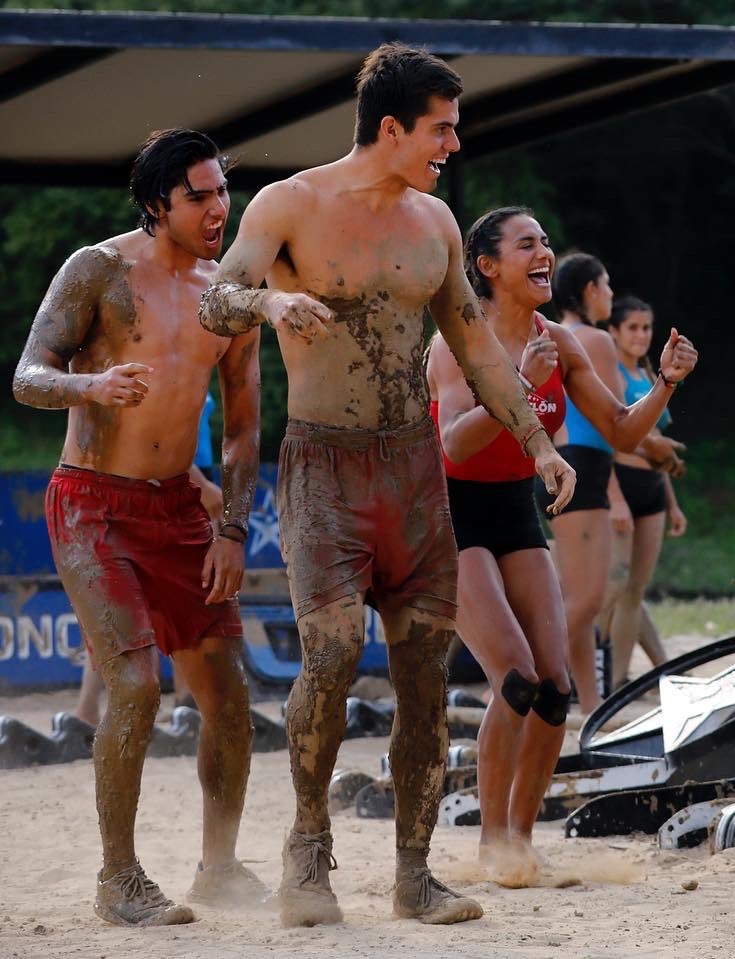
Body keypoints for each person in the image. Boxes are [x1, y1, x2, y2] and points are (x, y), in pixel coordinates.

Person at [197, 44, 576, 927]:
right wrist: (270, 304)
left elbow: (478, 348)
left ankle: (414, 870)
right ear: (392, 126)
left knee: (423, 677)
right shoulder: (288, 202)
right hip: (324, 468)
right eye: (441, 128)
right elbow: (217, 298)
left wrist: (539, 446)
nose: (452, 144)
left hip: (412, 470)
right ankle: (307, 849)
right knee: (328, 658)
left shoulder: (437, 224)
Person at [12, 129, 265, 926]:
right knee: (133, 682)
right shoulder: (99, 268)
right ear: (159, 204)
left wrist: (233, 529)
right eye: (201, 195)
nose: (220, 207)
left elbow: (246, 429)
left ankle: (219, 867)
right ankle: (118, 878)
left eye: (224, 190)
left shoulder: (229, 292)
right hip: (93, 500)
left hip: (183, 510)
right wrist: (88, 384)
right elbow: (26, 375)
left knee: (228, 696)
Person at [428, 207, 696, 883]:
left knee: (554, 686)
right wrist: (516, 382)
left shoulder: (561, 341)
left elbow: (623, 431)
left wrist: (665, 381)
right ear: (487, 266)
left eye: (547, 242)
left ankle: (520, 843)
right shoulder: (458, 338)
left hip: (516, 513)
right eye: (528, 245)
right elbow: (453, 446)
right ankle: (490, 842)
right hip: (450, 515)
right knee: (514, 678)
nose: (544, 252)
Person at [541, 253, 684, 713]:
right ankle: (531, 686)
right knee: (585, 604)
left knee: (583, 605)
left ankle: (589, 705)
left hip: (566, 465)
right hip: (586, 469)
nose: (609, 294)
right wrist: (653, 449)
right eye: (604, 285)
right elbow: (618, 423)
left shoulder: (551, 334)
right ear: (588, 291)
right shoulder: (595, 340)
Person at [74, 395, 218, 725]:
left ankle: (185, 702)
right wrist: (205, 488)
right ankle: (92, 707)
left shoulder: (197, 355)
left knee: (183, 596)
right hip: (169, 475)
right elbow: (155, 437)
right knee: (124, 605)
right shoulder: (149, 366)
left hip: (186, 472)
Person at [601, 296, 688, 684]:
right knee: (613, 586)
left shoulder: (652, 375)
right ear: (614, 331)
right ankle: (597, 674)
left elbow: (659, 449)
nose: (641, 335)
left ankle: (619, 679)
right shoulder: (610, 374)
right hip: (621, 484)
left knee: (636, 589)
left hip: (652, 488)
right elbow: (602, 441)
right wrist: (614, 498)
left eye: (646, 328)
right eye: (632, 327)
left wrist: (673, 505)